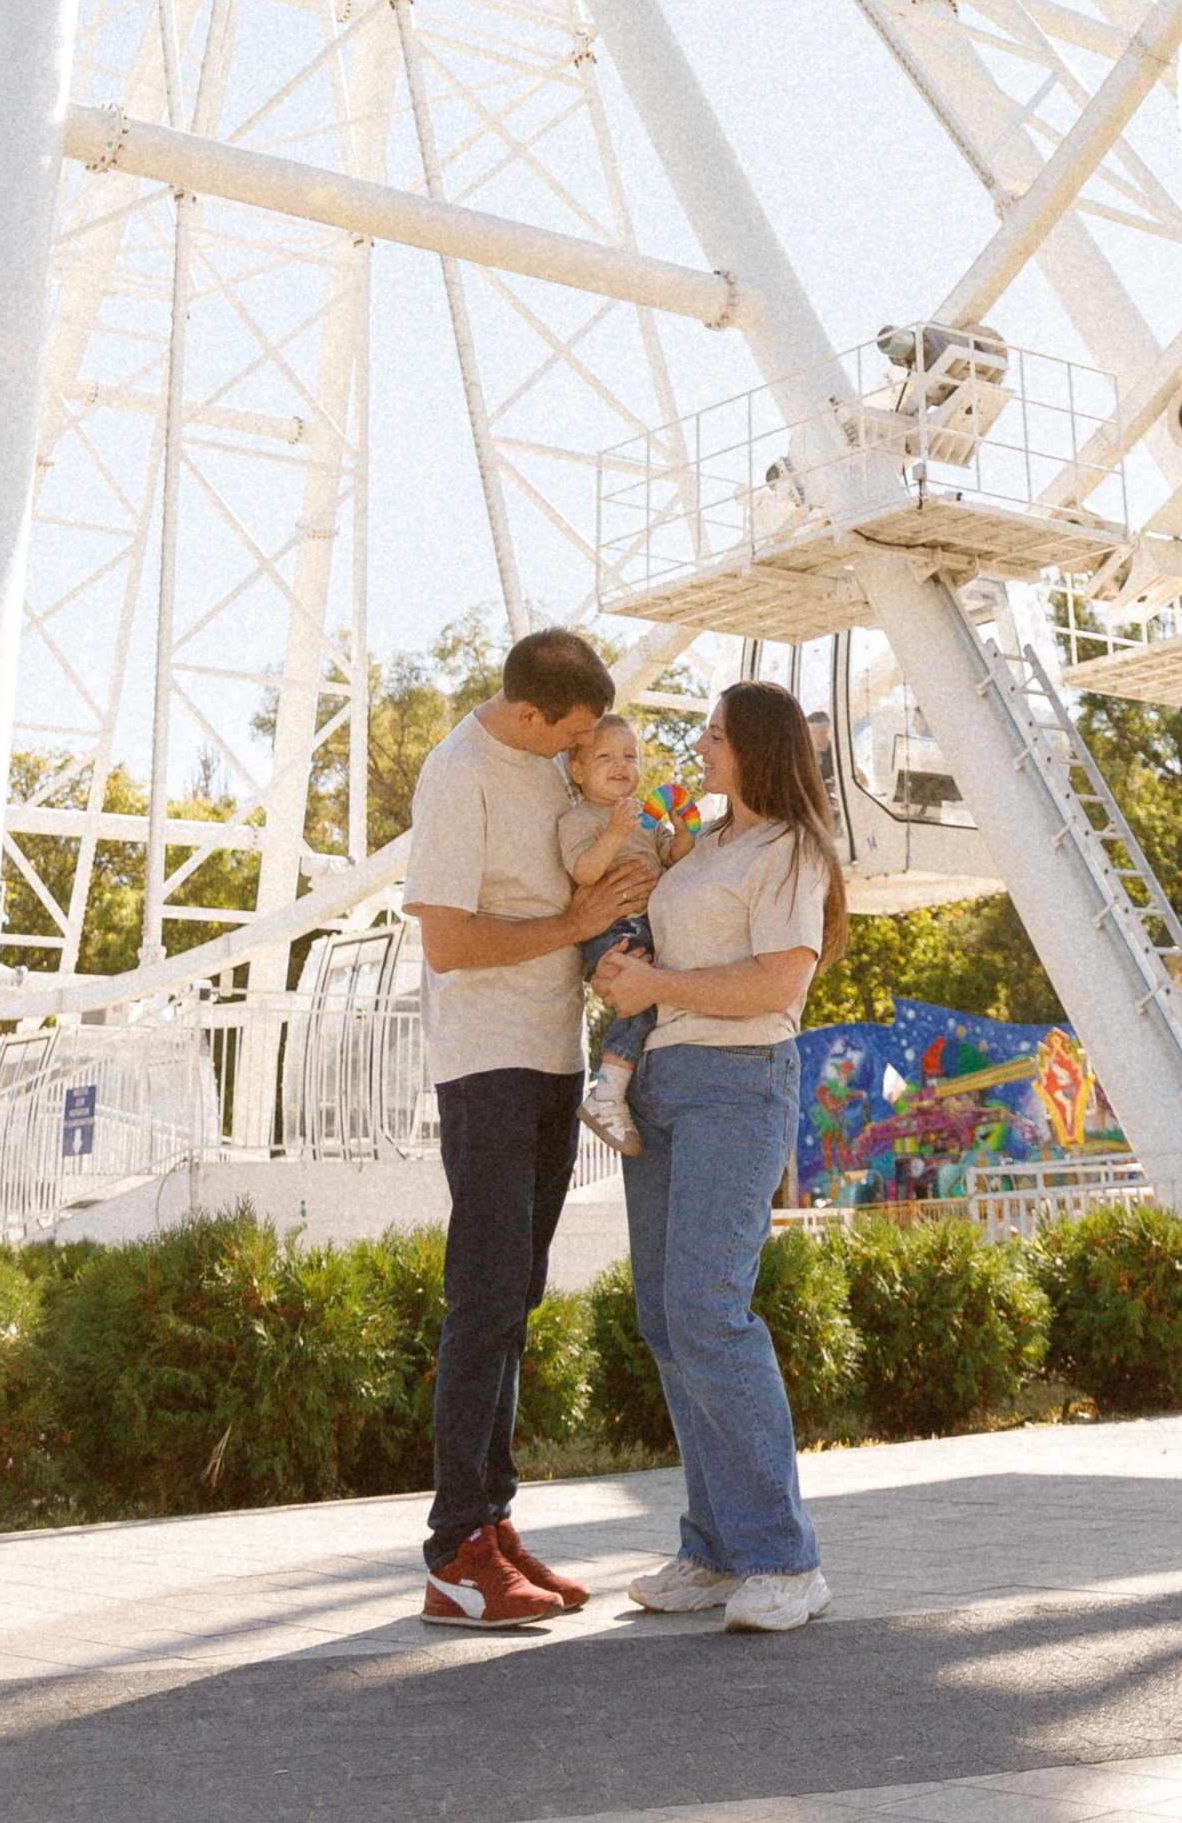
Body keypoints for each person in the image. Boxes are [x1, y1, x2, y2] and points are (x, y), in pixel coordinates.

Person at [405, 624, 653, 1630]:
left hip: (555, 1060)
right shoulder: (456, 775)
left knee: (515, 1296)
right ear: (525, 714)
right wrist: (574, 928)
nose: (581, 749)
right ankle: (453, 1551)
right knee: (482, 1298)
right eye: (573, 732)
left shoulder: (552, 770)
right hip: (487, 1064)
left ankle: (492, 1525)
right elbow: (451, 941)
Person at [594, 679, 844, 1637]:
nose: (698, 745)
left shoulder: (792, 852)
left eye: (714, 734)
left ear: (755, 747)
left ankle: (786, 1558)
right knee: (666, 1315)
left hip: (739, 1084)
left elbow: (782, 979)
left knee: (708, 1308)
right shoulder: (705, 844)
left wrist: (656, 979)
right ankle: (715, 1546)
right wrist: (627, 973)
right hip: (660, 1082)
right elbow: (654, 941)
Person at [559, 713, 695, 1157]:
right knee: (642, 999)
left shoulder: (646, 820)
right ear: (578, 772)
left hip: (652, 923)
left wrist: (681, 833)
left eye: (630, 756)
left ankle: (619, 1087)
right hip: (617, 927)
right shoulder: (580, 819)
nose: (621, 765)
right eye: (605, 757)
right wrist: (616, 830)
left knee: (658, 995)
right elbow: (585, 870)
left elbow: (673, 863)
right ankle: (607, 1092)